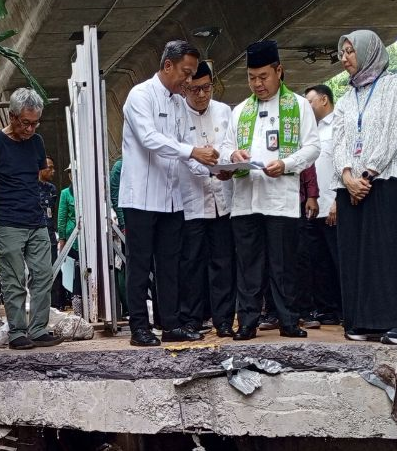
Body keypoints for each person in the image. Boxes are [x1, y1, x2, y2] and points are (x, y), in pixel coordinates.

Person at [118, 40, 220, 346]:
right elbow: (151, 139)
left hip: (172, 197)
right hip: (142, 197)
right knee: (139, 263)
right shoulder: (140, 96)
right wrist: (193, 152)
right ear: (167, 66)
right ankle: (139, 327)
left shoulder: (178, 103)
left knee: (171, 263)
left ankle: (172, 324)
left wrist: (213, 167)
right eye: (185, 73)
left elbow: (182, 150)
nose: (188, 81)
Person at [227, 39, 319, 341]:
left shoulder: (299, 105)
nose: (257, 84)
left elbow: (313, 147)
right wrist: (233, 156)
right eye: (251, 77)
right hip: (245, 200)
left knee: (283, 264)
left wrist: (288, 164)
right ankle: (249, 322)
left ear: (279, 71)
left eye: (263, 76)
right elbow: (227, 146)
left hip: (280, 200)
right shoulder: (240, 110)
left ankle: (289, 320)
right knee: (248, 266)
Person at [332, 29, 397, 345]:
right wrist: (347, 175)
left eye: (351, 51)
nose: (345, 58)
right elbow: (338, 139)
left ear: (368, 51)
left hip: (384, 179)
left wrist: (368, 173)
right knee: (355, 252)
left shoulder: (394, 87)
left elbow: (395, 132)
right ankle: (360, 320)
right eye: (343, 52)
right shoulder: (344, 98)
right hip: (351, 183)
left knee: (387, 251)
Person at [0, 88, 62, 350]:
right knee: (13, 279)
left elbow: (35, 174)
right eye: (26, 123)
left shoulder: (36, 142)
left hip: (35, 220)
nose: (31, 129)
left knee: (43, 274)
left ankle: (38, 328)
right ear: (12, 117)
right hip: (8, 222)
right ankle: (17, 332)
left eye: (35, 123)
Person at [177, 60, 236, 338]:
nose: (201, 94)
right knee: (191, 263)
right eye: (195, 89)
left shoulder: (225, 111)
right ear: (185, 87)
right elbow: (183, 154)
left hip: (222, 201)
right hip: (192, 203)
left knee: (223, 261)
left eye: (207, 87)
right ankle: (191, 319)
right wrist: (210, 167)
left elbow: (229, 145)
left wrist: (223, 165)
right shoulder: (178, 114)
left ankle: (223, 319)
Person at [296, 83, 342, 328]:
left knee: (338, 261)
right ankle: (326, 309)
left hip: (334, 206)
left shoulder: (338, 125)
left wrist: (337, 201)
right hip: (313, 208)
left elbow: (345, 165)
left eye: (310, 101)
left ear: (324, 100)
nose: (307, 106)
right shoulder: (310, 130)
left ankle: (345, 308)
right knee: (318, 262)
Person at [38, 157, 66, 310]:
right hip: (36, 232)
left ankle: (57, 303)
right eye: (49, 167)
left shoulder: (52, 189)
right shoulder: (31, 188)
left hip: (49, 231)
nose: (53, 171)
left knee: (54, 266)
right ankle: (42, 303)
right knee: (39, 269)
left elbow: (52, 211)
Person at [57, 181, 83, 314]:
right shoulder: (66, 193)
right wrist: (62, 240)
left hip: (87, 236)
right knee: (75, 270)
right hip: (72, 237)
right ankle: (76, 301)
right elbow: (62, 217)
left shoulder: (86, 190)